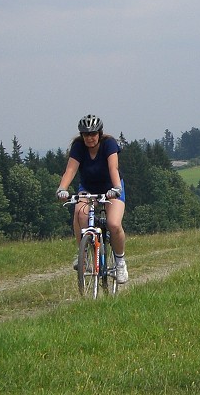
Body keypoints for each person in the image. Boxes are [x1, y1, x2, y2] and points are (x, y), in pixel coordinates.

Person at [56, 114, 128, 284]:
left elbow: (113, 167)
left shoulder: (109, 144)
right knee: (80, 214)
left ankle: (120, 262)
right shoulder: (78, 147)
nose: (89, 138)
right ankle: (83, 254)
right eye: (86, 134)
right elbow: (71, 170)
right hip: (88, 188)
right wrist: (62, 188)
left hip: (111, 187)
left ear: (99, 134)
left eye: (93, 134)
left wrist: (116, 188)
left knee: (113, 224)